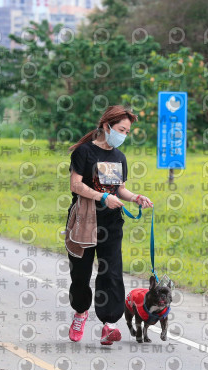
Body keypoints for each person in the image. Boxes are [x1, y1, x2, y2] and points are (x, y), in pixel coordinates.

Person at [67, 105, 153, 345]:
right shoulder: (84, 152)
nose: (123, 135)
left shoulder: (119, 157)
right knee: (81, 274)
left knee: (112, 273)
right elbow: (76, 185)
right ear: (107, 126)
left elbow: (120, 189)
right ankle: (81, 312)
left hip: (111, 224)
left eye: (127, 131)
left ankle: (109, 324)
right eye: (121, 129)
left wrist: (136, 197)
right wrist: (102, 197)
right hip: (85, 221)